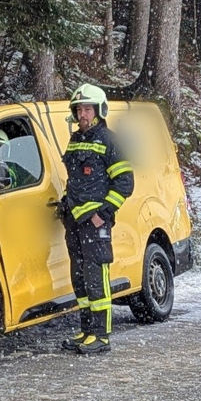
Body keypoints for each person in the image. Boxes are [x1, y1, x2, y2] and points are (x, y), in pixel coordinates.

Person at [58, 83, 134, 354]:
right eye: (79, 109)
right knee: (79, 277)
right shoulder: (76, 140)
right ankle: (87, 330)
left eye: (87, 109)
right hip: (75, 219)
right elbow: (75, 179)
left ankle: (101, 336)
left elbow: (125, 182)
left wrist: (104, 213)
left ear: (99, 110)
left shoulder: (109, 140)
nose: (83, 114)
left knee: (96, 274)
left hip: (95, 221)